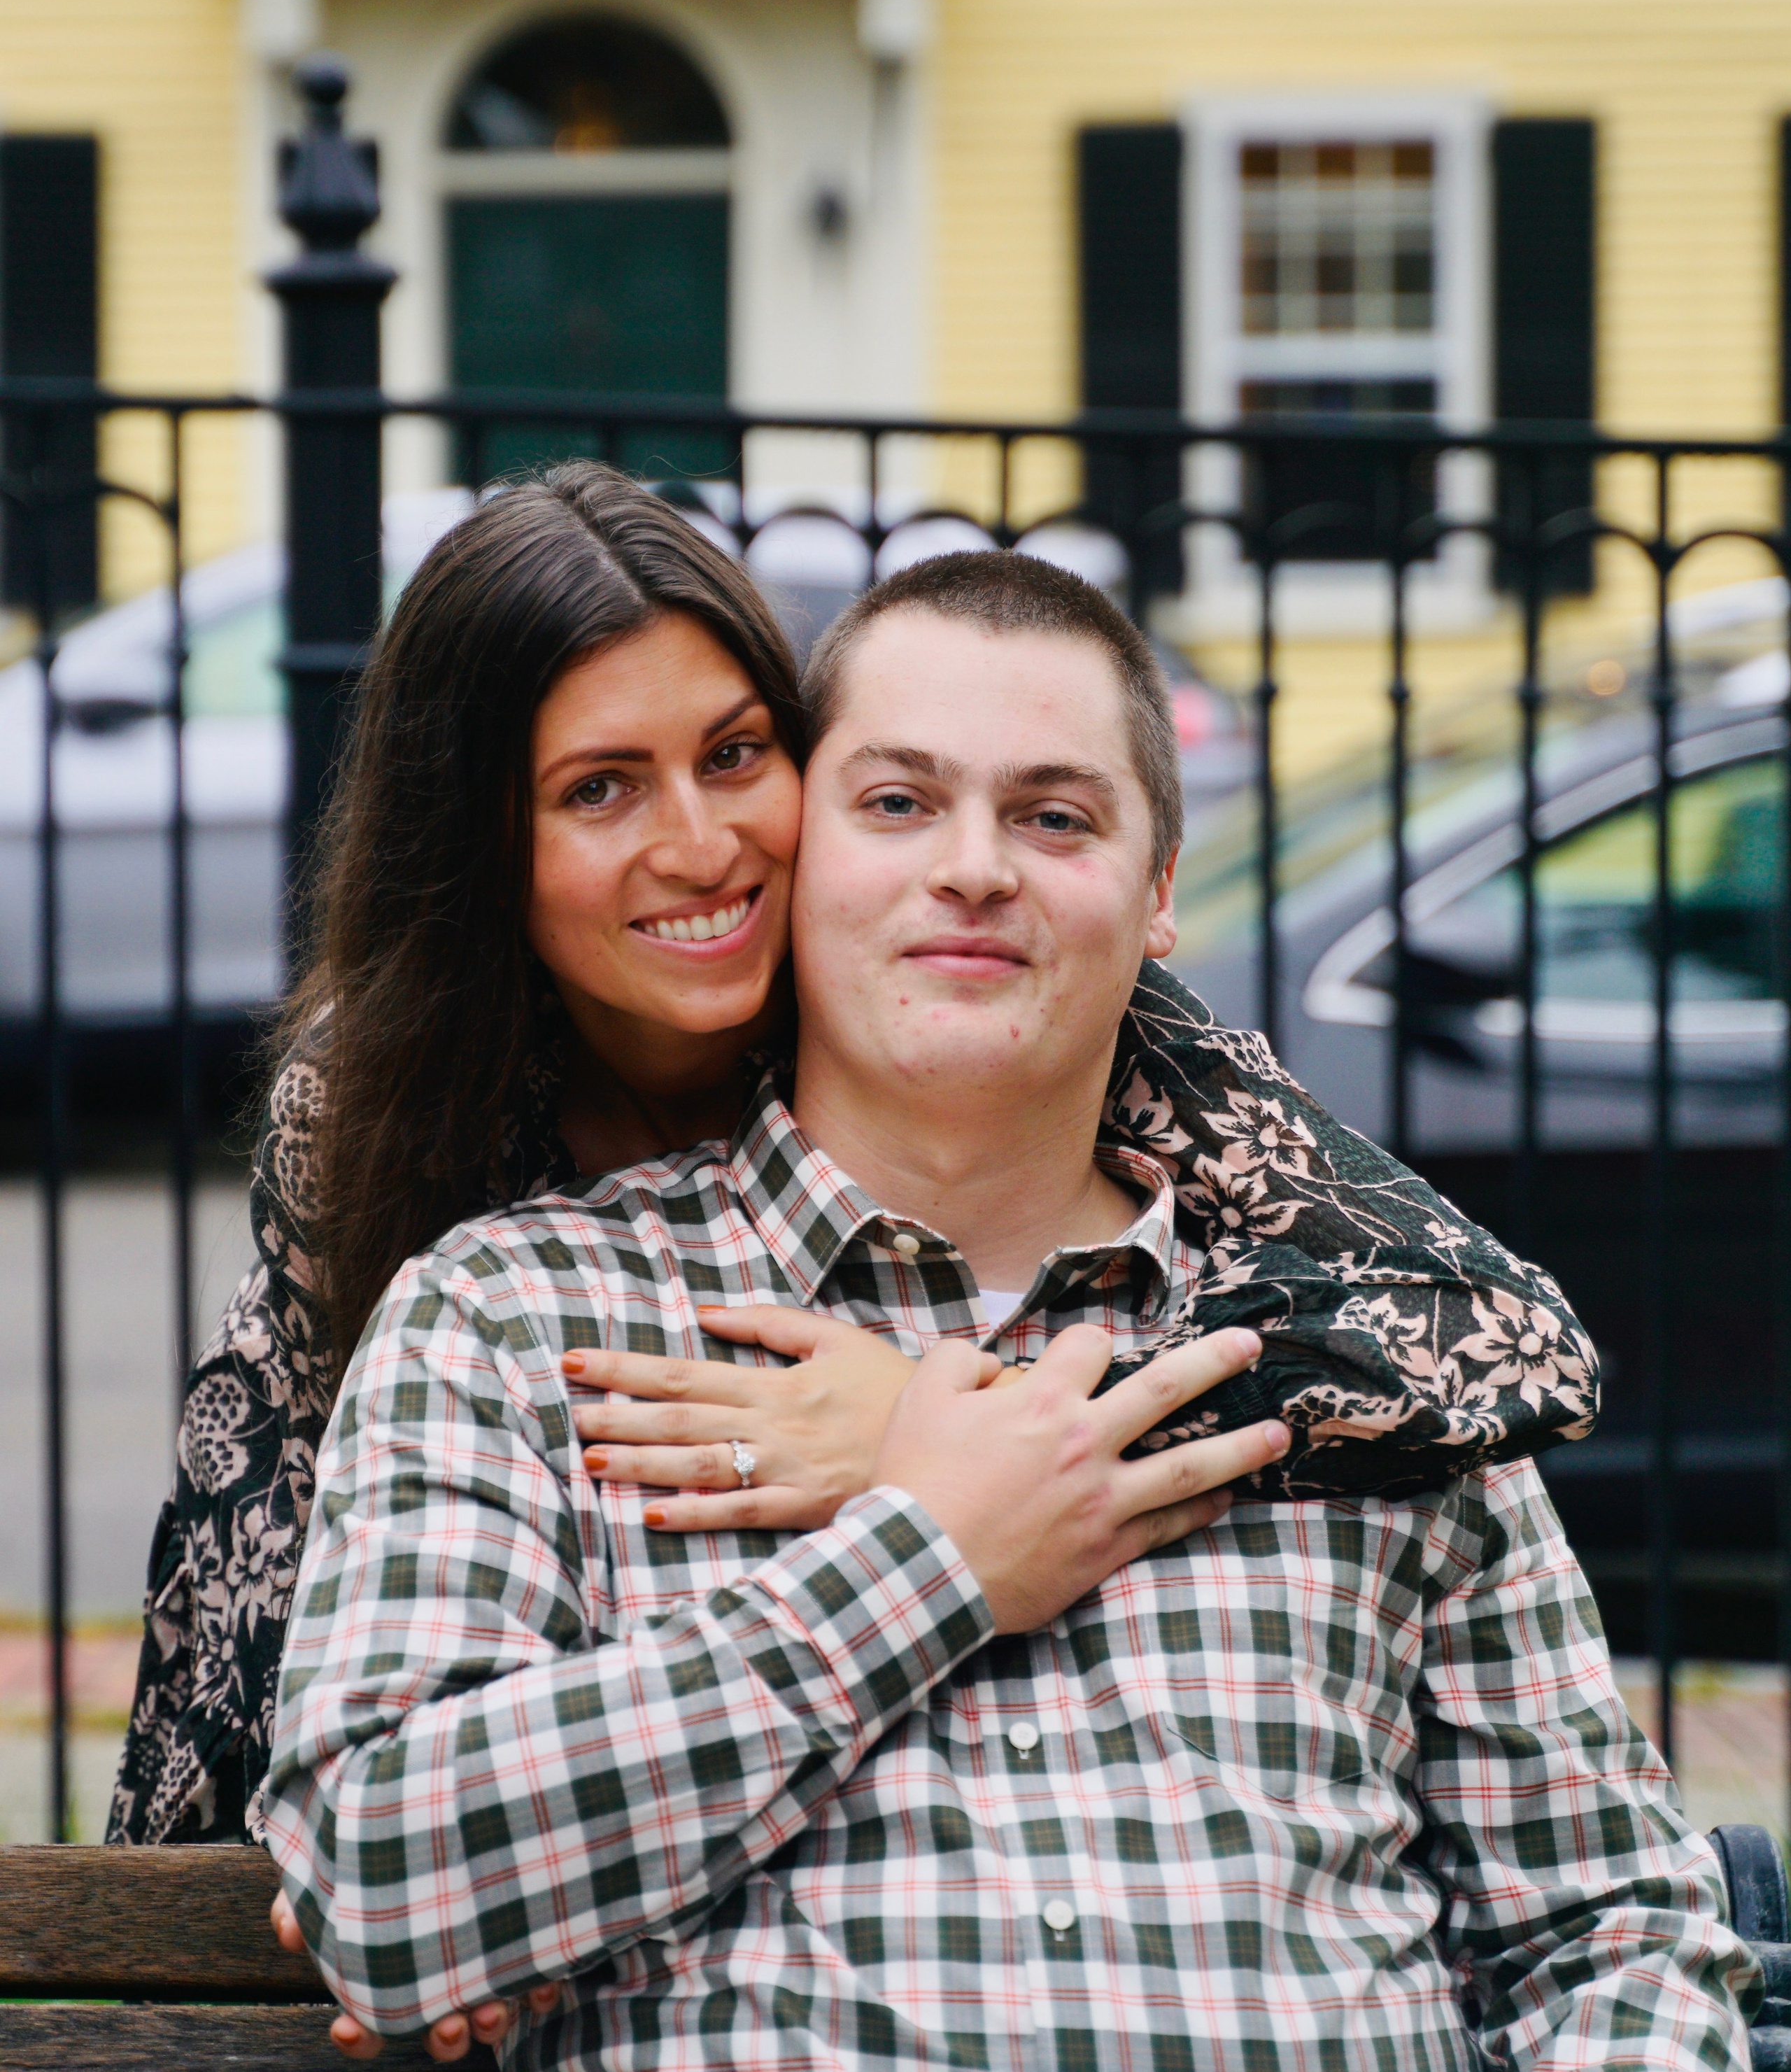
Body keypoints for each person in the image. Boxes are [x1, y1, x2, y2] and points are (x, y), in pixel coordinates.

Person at [263, 550, 1744, 2072]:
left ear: (1156, 889)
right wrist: (930, 1561)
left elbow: (1614, 1931)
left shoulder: (1364, 1361)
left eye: (1054, 815)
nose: (973, 866)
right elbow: (380, 1888)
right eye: (897, 802)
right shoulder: (521, 1315)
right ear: (802, 862)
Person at [111, 467, 1598, 1871]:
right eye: (599, 788)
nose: (700, 844)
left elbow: (1501, 1343)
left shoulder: (1008, 1001)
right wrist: (348, 1933)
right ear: (485, 846)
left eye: (734, 753)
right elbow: (273, 1575)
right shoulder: (389, 1114)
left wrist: (951, 1419)